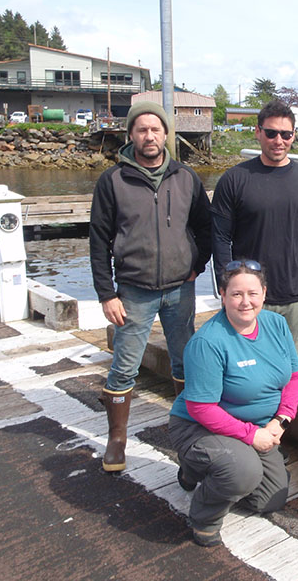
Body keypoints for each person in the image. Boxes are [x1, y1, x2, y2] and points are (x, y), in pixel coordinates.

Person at [89, 101, 212, 473]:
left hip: (180, 289)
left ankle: (186, 431)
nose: (149, 136)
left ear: (165, 135)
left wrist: (197, 265)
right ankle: (117, 440)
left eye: (156, 129)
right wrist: (106, 293)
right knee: (124, 366)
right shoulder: (113, 181)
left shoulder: (186, 177)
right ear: (131, 136)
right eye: (142, 130)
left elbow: (206, 228)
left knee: (185, 360)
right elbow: (98, 241)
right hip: (133, 291)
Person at [168, 260, 298, 547]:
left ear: (264, 294)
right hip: (199, 427)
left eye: (252, 293)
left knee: (270, 499)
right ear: (223, 294)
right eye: (236, 294)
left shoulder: (276, 324)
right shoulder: (209, 342)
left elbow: (294, 376)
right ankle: (204, 516)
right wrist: (252, 436)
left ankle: (205, 471)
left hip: (258, 426)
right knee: (242, 472)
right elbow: (201, 408)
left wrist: (281, 420)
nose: (246, 302)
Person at [211, 100, 298, 353]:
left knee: (287, 368)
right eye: (271, 133)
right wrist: (226, 288)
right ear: (258, 132)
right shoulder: (234, 179)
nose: (279, 140)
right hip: (248, 297)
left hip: (295, 296)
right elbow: (220, 238)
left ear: (293, 136)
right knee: (246, 367)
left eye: (286, 134)